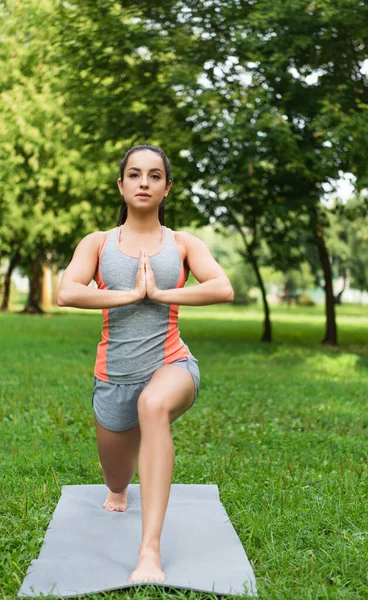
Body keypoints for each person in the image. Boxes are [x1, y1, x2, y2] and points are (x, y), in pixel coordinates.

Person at [57, 144, 234, 584]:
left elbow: (222, 287)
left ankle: (149, 553)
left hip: (171, 365)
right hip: (114, 378)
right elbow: (67, 292)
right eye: (134, 175)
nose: (143, 182)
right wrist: (130, 295)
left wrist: (161, 294)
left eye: (154, 176)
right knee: (117, 477)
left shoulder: (182, 243)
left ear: (166, 188)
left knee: (153, 406)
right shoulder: (98, 243)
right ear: (121, 185)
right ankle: (119, 488)